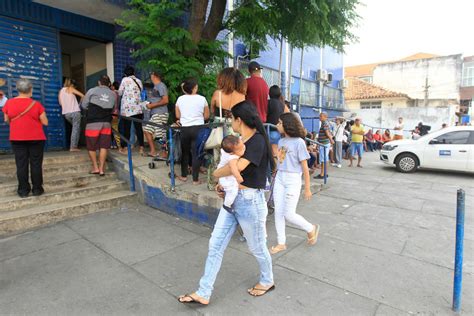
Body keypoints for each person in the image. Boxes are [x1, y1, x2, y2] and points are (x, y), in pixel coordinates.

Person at [178, 101, 275, 305]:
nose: (230, 122)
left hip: (250, 202)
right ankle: (204, 292)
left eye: (232, 118)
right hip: (231, 202)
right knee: (215, 245)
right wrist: (223, 183)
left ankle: (267, 280)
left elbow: (234, 168)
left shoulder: (256, 141)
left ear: (239, 120)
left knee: (257, 247)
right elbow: (230, 170)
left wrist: (216, 173)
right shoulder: (239, 141)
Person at [269, 112, 319, 255]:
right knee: (278, 212)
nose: (277, 125)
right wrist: (276, 157)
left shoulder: (299, 142)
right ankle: (281, 243)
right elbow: (282, 160)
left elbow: (304, 167)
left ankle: (310, 228)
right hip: (280, 178)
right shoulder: (281, 141)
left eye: (279, 123)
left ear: (287, 125)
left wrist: (307, 188)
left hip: (293, 180)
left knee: (289, 214)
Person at [2, 79, 48, 197]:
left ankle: (23, 191)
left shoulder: (9, 103)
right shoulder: (36, 104)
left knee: (21, 164)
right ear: (30, 90)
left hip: (17, 138)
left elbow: (6, 120)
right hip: (36, 138)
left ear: (17, 90)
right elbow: (45, 122)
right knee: (36, 164)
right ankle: (37, 189)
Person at [175, 78, 209, 185]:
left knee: (185, 153)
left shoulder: (180, 99)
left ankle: (184, 176)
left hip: (185, 128)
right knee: (196, 153)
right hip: (198, 128)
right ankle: (195, 180)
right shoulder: (202, 99)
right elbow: (207, 116)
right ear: (194, 88)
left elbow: (178, 116)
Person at [81, 75, 116, 176]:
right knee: (104, 146)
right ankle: (101, 169)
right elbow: (113, 109)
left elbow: (84, 105)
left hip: (93, 123)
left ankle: (95, 168)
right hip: (106, 123)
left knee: (91, 147)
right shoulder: (113, 94)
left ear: (99, 82)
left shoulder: (92, 91)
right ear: (109, 84)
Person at [118, 65, 144, 155]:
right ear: (134, 73)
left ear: (125, 73)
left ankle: (126, 148)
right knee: (138, 128)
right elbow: (140, 91)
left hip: (127, 108)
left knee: (126, 129)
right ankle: (141, 148)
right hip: (138, 108)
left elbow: (120, 92)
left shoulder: (124, 80)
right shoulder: (139, 81)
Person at [143, 71, 169, 157]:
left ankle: (164, 153)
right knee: (147, 130)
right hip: (155, 113)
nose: (150, 76)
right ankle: (153, 151)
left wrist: (152, 105)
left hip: (160, 113)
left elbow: (165, 100)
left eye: (151, 74)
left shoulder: (161, 86)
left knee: (160, 134)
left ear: (154, 76)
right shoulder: (156, 86)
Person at [217, 135, 245, 213]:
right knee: (233, 190)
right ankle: (227, 204)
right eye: (240, 150)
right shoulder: (232, 157)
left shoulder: (237, 143)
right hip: (225, 176)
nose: (243, 149)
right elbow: (233, 169)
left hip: (221, 171)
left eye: (242, 146)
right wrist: (239, 178)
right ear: (233, 152)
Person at [58, 78, 84, 152]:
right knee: (76, 129)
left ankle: (74, 145)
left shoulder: (60, 91)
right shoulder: (71, 88)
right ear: (71, 84)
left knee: (76, 129)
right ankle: (73, 147)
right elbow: (82, 95)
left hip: (66, 114)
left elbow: (60, 103)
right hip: (75, 112)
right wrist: (79, 105)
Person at [266, 85, 285, 157]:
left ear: (269, 93)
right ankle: (277, 166)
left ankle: (274, 167)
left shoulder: (268, 102)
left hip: (269, 129)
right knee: (275, 150)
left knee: (271, 152)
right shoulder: (282, 104)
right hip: (277, 130)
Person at [314, 112, 334, 179]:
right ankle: (325, 173)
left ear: (325, 117)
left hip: (324, 144)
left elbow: (327, 133)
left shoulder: (325, 123)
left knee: (323, 160)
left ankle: (322, 174)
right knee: (325, 159)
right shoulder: (325, 123)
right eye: (319, 116)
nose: (319, 117)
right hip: (324, 143)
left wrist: (331, 140)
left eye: (321, 116)